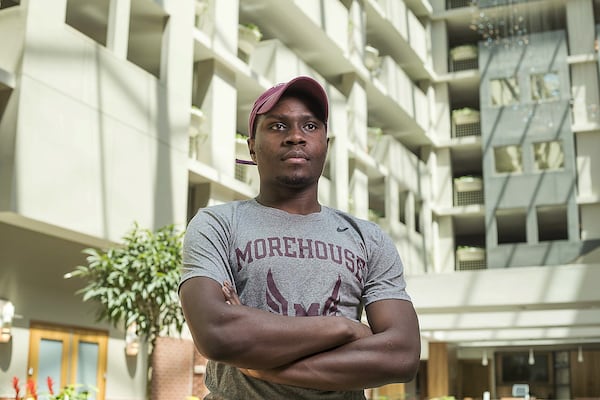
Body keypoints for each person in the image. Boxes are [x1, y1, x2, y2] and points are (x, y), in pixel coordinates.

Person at [179, 76, 421, 400]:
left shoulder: (368, 238)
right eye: (278, 126)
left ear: (326, 144)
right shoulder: (218, 224)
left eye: (310, 126)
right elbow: (216, 333)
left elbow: (401, 355)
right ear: (251, 145)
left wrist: (261, 365)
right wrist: (344, 329)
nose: (295, 137)